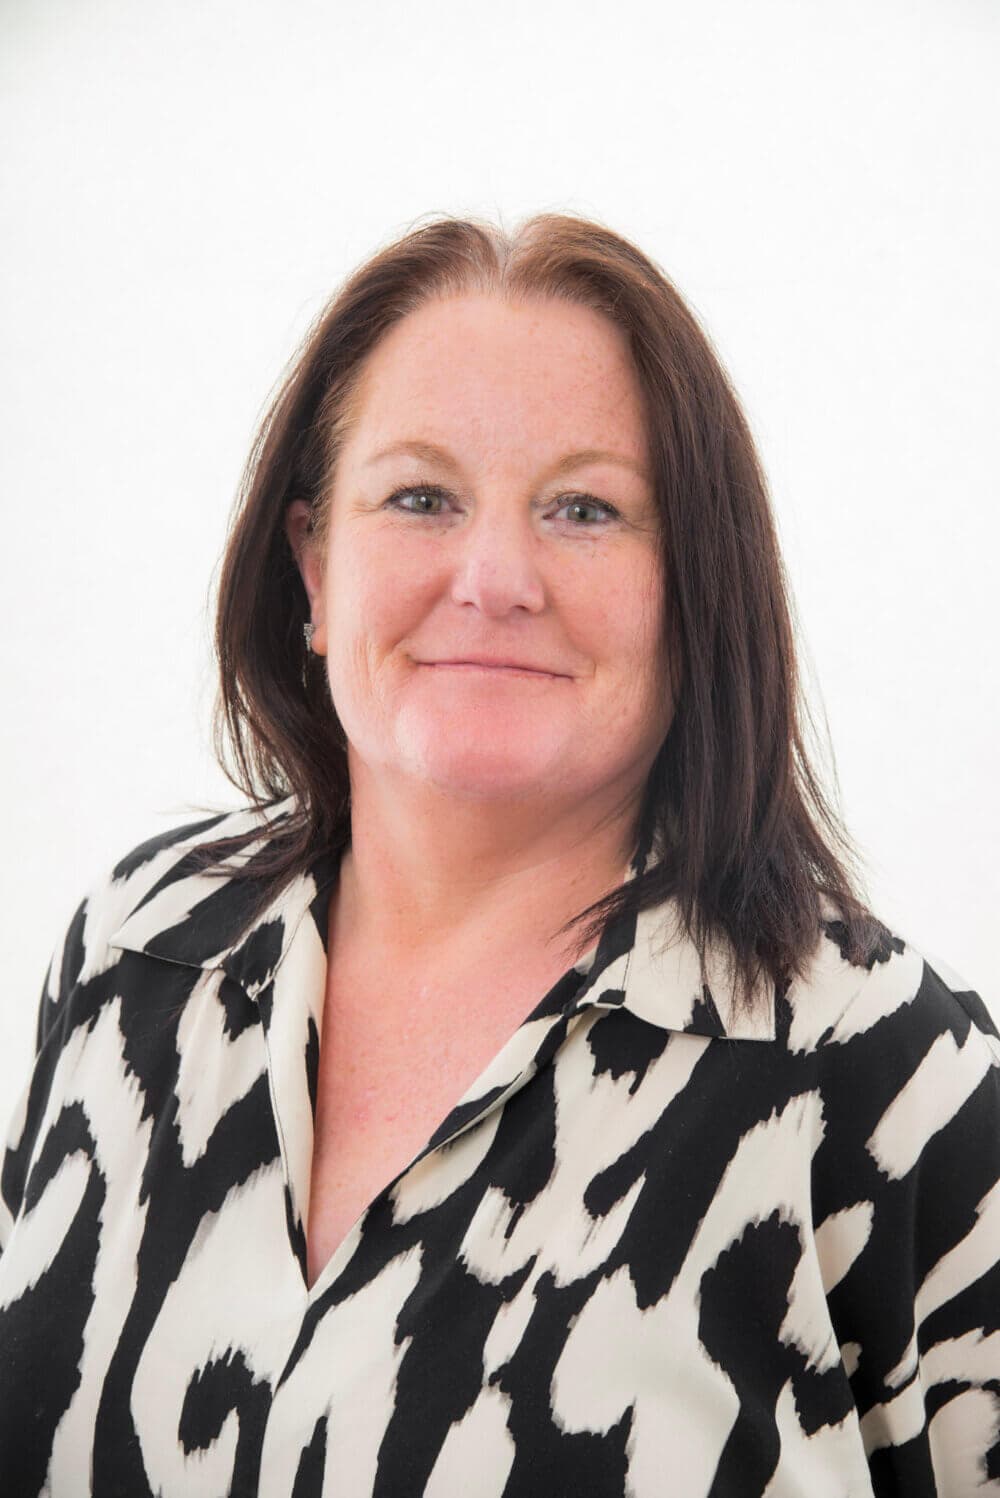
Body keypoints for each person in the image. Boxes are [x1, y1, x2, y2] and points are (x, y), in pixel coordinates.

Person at [0, 212, 997, 1498]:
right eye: (420, 496)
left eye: (585, 509)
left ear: (693, 583)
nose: (493, 575)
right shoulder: (138, 955)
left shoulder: (882, 1073)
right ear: (312, 564)